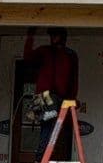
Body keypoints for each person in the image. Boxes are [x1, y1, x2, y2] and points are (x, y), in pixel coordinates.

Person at [23, 27, 80, 155]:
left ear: (63, 37)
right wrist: (30, 35)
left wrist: (72, 97)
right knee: (48, 123)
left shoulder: (70, 55)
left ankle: (41, 158)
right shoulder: (45, 51)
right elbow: (27, 57)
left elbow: (74, 78)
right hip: (44, 95)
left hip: (59, 96)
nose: (53, 38)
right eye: (52, 35)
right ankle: (40, 158)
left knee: (51, 126)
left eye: (56, 35)